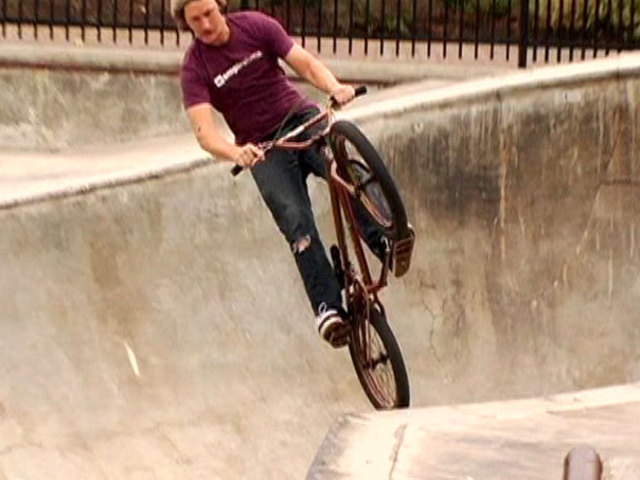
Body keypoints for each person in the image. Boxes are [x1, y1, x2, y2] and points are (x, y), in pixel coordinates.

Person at [171, 0, 377, 347]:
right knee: (295, 220)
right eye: (195, 20)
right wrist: (236, 152)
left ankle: (383, 235)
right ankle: (327, 307)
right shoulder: (195, 67)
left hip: (300, 118)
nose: (205, 24)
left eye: (209, 13)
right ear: (186, 24)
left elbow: (303, 62)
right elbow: (205, 133)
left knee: (343, 170)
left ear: (221, 6)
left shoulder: (255, 26)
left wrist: (334, 87)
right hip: (263, 148)